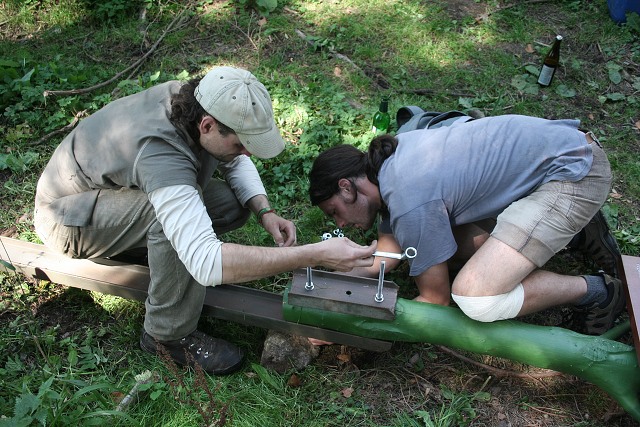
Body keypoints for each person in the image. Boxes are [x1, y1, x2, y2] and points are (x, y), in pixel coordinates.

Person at [34, 66, 376, 375]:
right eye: (242, 144)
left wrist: (264, 211)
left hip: (111, 200)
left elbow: (235, 162)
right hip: (67, 219)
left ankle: (152, 259)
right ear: (208, 126)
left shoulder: (198, 101)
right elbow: (207, 264)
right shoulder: (160, 151)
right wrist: (313, 254)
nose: (248, 153)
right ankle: (167, 335)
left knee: (230, 203)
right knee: (166, 217)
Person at [308, 114, 626, 335]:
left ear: (347, 187)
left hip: (574, 175)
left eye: (334, 211)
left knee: (476, 297)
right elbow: (387, 257)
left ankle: (599, 292)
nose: (340, 223)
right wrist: (330, 278)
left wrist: (350, 322)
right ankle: (574, 230)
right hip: (562, 154)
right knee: (453, 249)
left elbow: (436, 300)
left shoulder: (409, 200)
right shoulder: (391, 164)